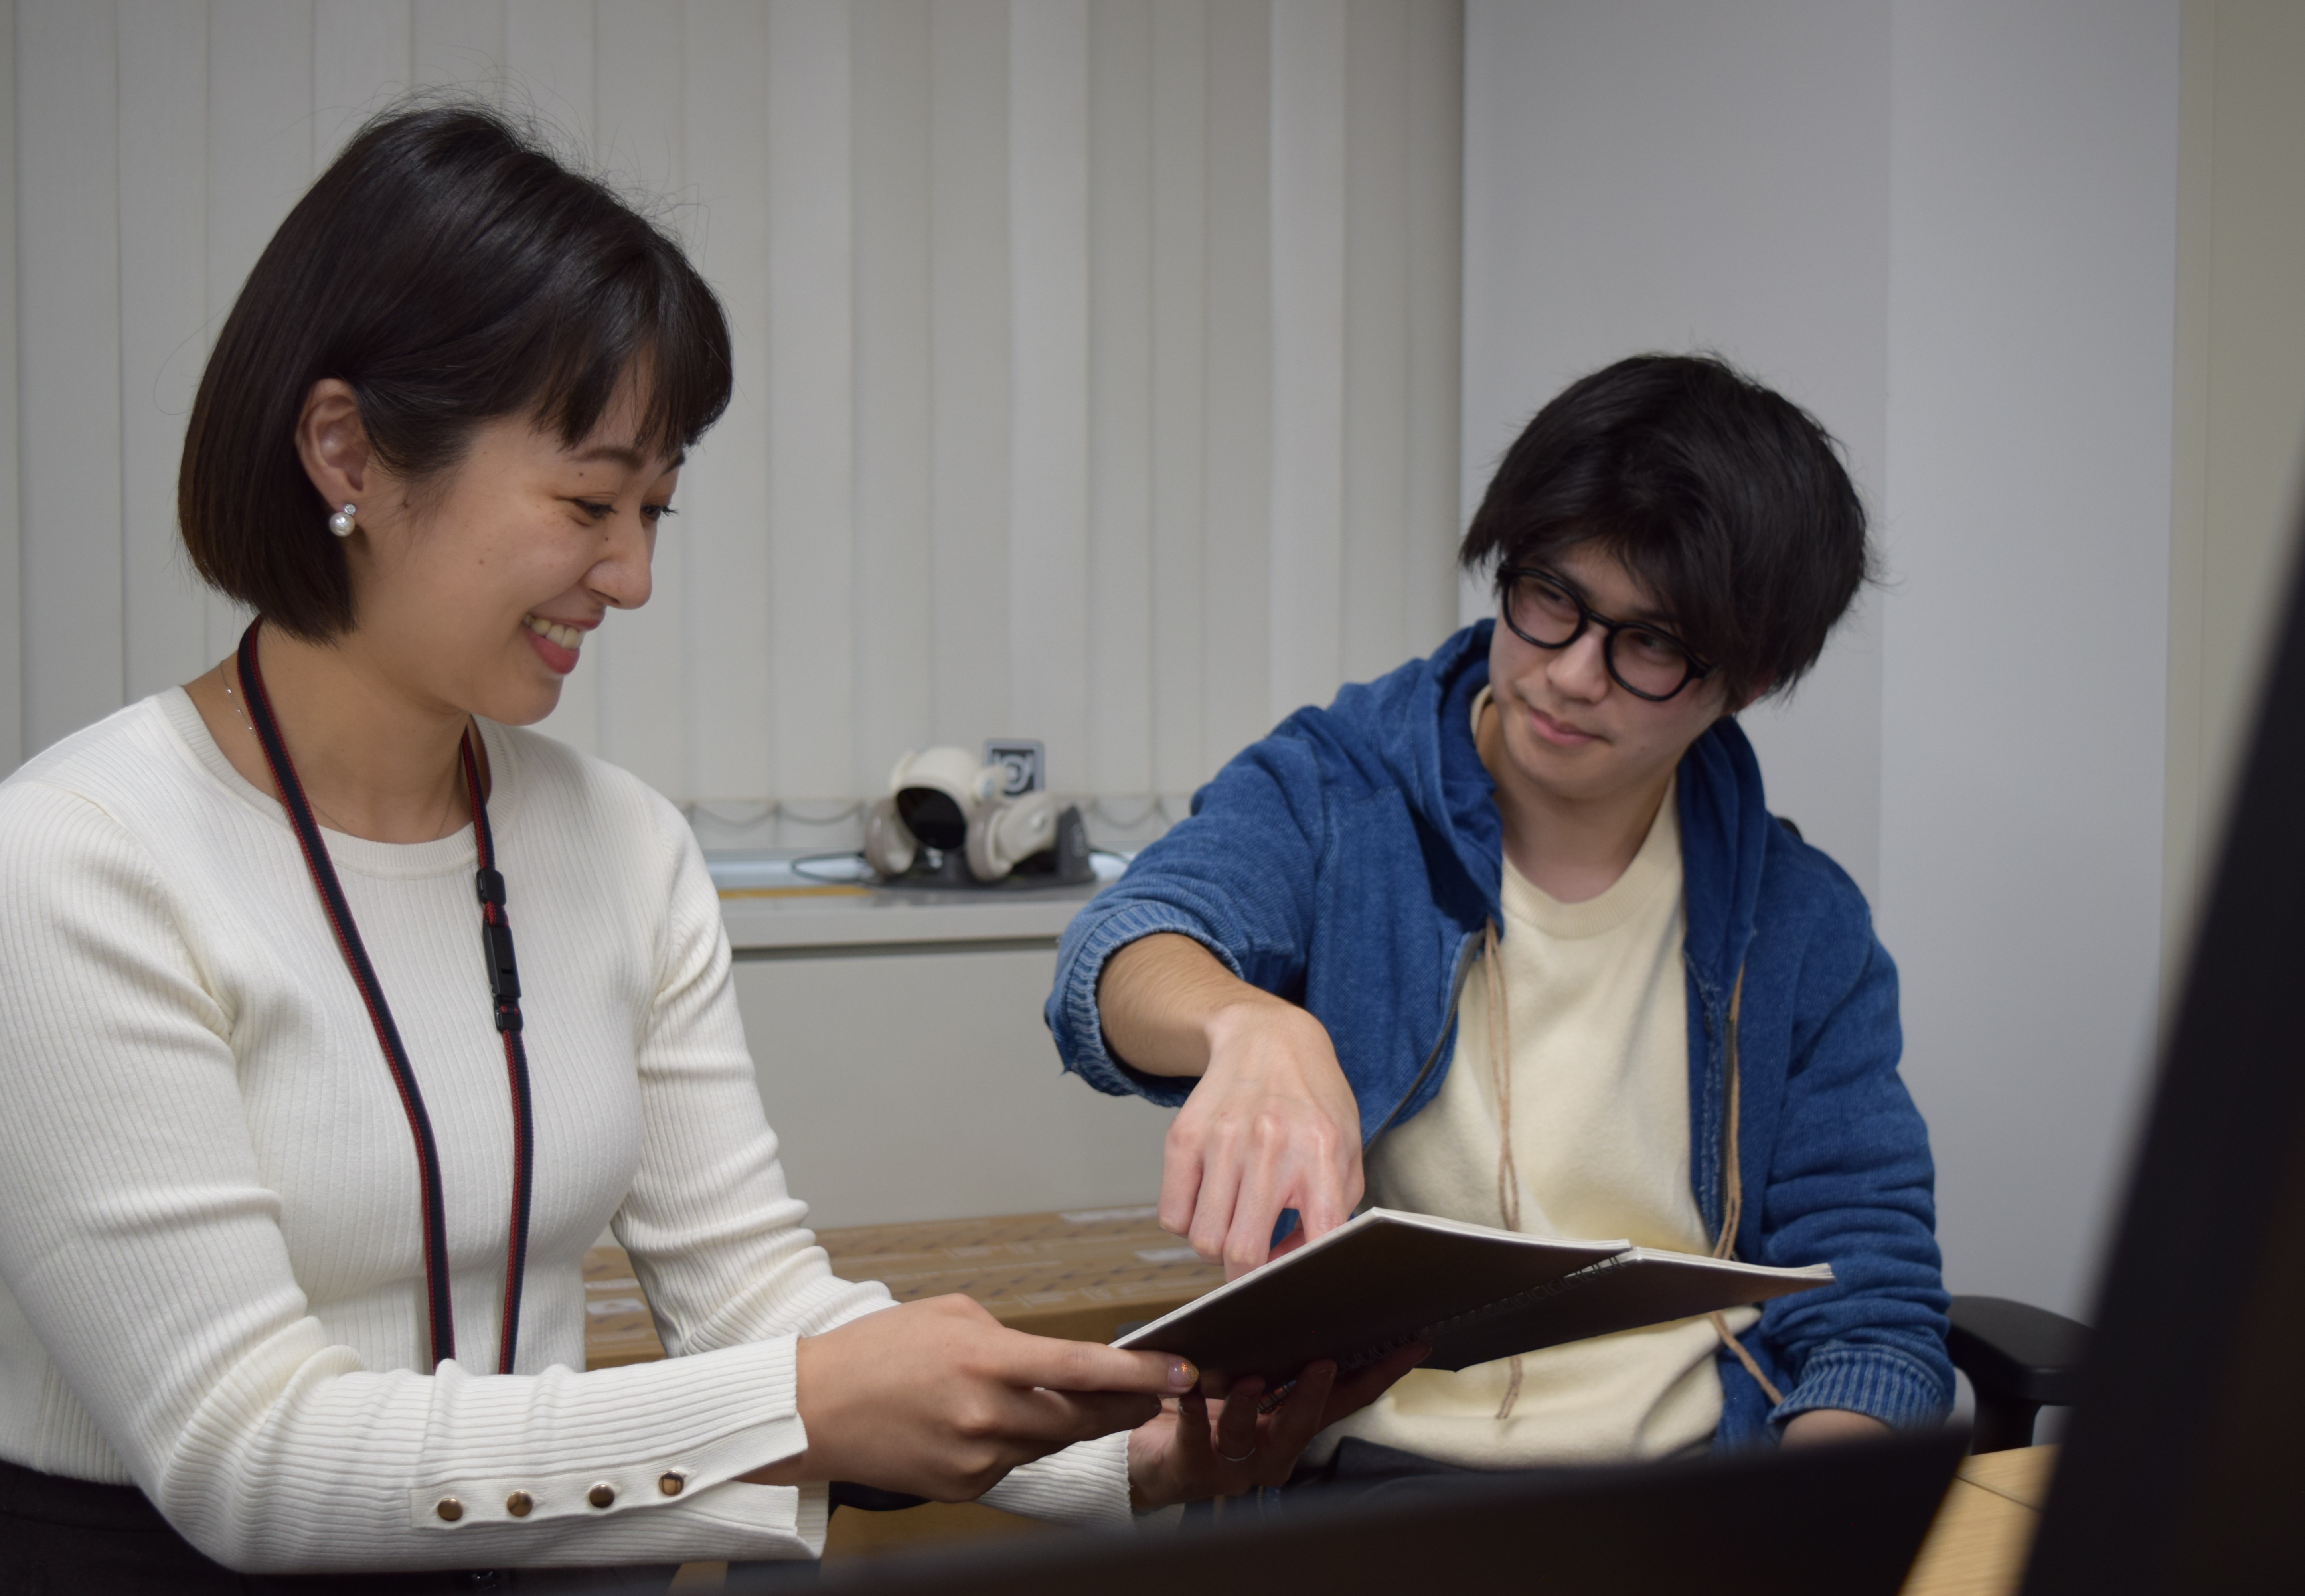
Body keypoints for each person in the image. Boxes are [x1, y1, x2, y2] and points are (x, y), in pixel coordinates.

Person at [0, 105, 1412, 1589]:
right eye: (588, 503)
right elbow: (246, 1456)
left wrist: (1120, 1458)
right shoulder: (74, 862)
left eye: (656, 510)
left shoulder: (620, 844)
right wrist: (799, 1409)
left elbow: (750, 1299)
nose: (631, 576)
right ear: (345, 449)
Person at [1045, 355, 1951, 1473]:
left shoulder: (1800, 921)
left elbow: (1870, 1310)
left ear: (1748, 680)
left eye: (1652, 644)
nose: (1571, 674)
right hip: (1374, 1466)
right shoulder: (1340, 794)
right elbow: (1119, 954)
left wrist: (1808, 1522)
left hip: (1695, 1478)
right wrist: (1248, 1028)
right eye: (1550, 598)